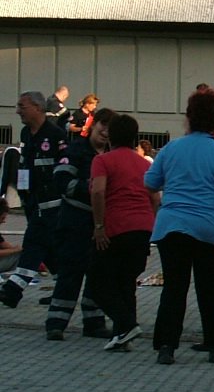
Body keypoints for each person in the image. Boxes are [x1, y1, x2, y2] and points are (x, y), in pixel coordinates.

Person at [145, 88, 214, 365]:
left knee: (174, 288)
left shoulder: (172, 148)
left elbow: (150, 183)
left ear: (188, 117)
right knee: (209, 288)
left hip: (172, 224)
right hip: (209, 229)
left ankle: (166, 345)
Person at [43, 107, 115, 340]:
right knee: (70, 273)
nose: (105, 131)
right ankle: (56, 323)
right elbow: (62, 181)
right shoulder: (75, 151)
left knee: (99, 273)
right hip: (75, 222)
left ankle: (93, 323)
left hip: (101, 224)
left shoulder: (112, 155)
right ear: (93, 125)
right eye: (102, 125)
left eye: (110, 128)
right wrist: (94, 190)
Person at [92, 114, 158, 352]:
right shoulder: (144, 164)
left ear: (110, 136)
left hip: (116, 227)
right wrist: (150, 223)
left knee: (98, 284)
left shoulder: (103, 161)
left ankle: (127, 324)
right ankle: (123, 336)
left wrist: (99, 226)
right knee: (126, 282)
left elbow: (98, 192)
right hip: (142, 227)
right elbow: (155, 197)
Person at [1, 92, 68, 309]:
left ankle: (13, 290)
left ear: (38, 108)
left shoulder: (55, 134)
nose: (18, 110)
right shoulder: (26, 133)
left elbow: (64, 168)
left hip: (51, 205)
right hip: (31, 202)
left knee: (34, 243)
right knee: (48, 247)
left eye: (22, 106)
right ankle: (63, 289)